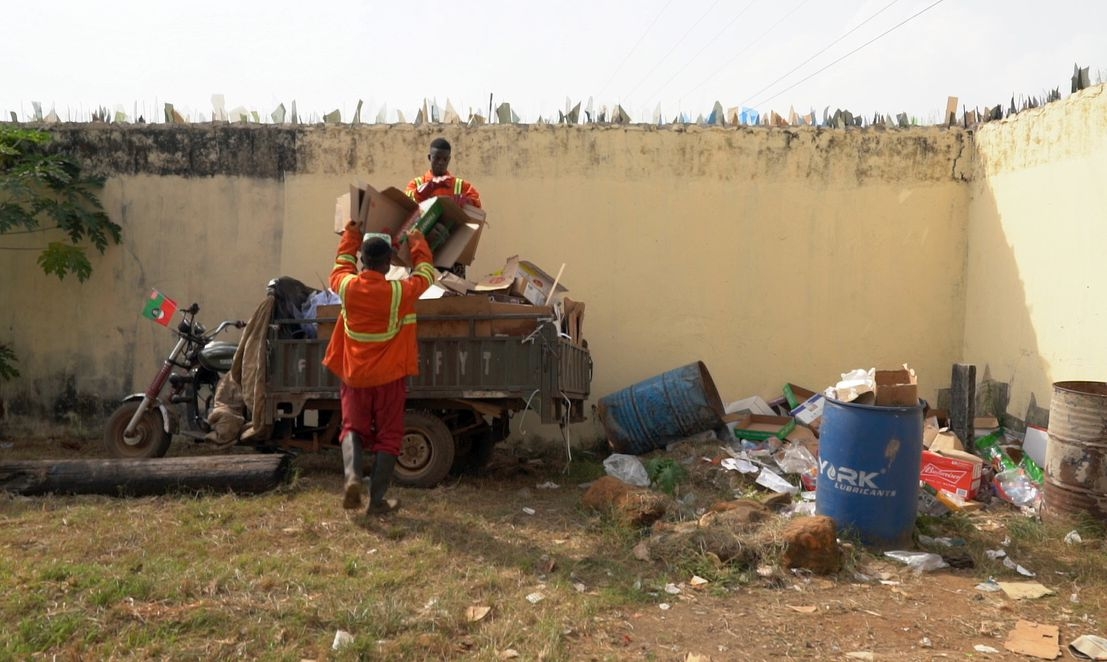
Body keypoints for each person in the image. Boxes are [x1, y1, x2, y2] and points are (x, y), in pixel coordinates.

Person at [323, 220, 435, 514]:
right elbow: (426, 274)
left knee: (351, 429)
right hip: (389, 377)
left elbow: (341, 262)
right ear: (388, 264)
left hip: (354, 376)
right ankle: (376, 502)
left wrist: (352, 233)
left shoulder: (345, 286)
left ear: (363, 261)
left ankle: (352, 478)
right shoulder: (399, 292)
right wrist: (417, 241)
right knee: (389, 437)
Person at [405, 137, 482, 209]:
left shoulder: (461, 185)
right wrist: (429, 187)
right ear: (429, 158)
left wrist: (467, 201)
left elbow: (477, 204)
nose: (441, 162)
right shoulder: (416, 183)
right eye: (437, 158)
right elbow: (405, 202)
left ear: (449, 159)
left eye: (445, 159)